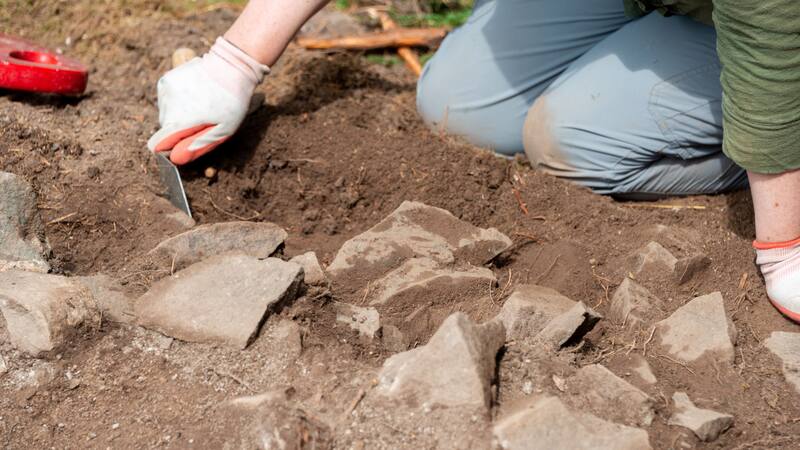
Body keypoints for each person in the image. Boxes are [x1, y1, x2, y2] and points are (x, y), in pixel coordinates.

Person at [148, 0, 800, 322]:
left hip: (772, 29)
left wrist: (784, 246)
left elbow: (771, 40)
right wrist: (236, 60)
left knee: (567, 140)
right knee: (456, 105)